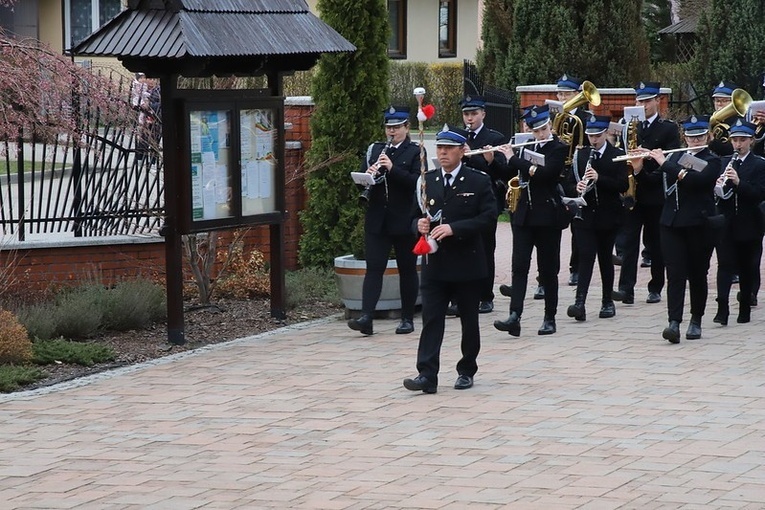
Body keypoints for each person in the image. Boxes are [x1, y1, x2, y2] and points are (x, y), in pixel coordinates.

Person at [402, 125, 495, 394]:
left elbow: (488, 218)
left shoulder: (477, 180)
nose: (442, 153)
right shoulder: (427, 180)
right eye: (439, 148)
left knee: (469, 320)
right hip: (436, 263)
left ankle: (467, 368)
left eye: (448, 149)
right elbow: (411, 217)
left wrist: (456, 228)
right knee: (432, 319)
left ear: (462, 151)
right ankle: (427, 374)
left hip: (467, 262)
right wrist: (416, 226)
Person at [638, 115, 721, 343]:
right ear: (685, 137)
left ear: (707, 136)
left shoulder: (712, 161)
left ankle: (696, 319)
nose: (695, 141)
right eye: (691, 137)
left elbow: (697, 182)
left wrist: (665, 163)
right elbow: (653, 183)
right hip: (671, 223)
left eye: (700, 137)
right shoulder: (675, 156)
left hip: (698, 224)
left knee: (697, 274)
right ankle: (674, 322)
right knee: (674, 274)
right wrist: (638, 169)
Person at [493, 105, 569, 336]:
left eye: (544, 129)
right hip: (524, 216)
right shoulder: (525, 146)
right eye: (536, 131)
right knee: (519, 267)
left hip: (547, 217)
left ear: (550, 126)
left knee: (548, 270)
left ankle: (550, 317)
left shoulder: (558, 148)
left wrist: (514, 159)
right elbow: (508, 172)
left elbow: (546, 175)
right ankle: (515, 316)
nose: (540, 134)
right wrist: (491, 159)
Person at [348, 106, 423, 336]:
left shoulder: (415, 151)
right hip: (378, 219)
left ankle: (407, 318)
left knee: (407, 269)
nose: (391, 132)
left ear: (406, 128)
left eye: (396, 128)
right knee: (374, 268)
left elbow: (417, 183)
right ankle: (366, 317)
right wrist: (367, 176)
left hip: (404, 218)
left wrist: (391, 169)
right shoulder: (375, 150)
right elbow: (362, 178)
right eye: (388, 127)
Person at [614, 82, 680, 306]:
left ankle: (655, 287)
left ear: (657, 101)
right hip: (633, 192)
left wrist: (646, 158)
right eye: (639, 101)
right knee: (629, 242)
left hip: (654, 191)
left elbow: (670, 161)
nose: (642, 105)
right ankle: (626, 289)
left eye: (646, 101)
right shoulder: (630, 126)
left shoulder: (668, 128)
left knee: (656, 242)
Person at [565, 115, 629, 322]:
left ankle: (607, 301)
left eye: (598, 135)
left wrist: (599, 178)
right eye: (590, 135)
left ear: (606, 133)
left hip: (608, 216)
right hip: (585, 215)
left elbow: (622, 186)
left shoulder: (617, 154)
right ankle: (579, 302)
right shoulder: (580, 155)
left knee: (604, 259)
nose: (593, 140)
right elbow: (567, 182)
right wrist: (577, 187)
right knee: (585, 257)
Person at [712, 119, 765, 325]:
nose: (738, 144)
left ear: (751, 140)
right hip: (726, 222)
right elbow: (717, 195)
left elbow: (759, 194)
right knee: (724, 265)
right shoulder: (724, 161)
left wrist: (739, 183)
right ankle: (722, 308)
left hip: (749, 223)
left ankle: (744, 307)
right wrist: (718, 186)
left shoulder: (759, 164)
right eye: (735, 140)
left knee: (746, 266)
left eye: (742, 140)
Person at [459, 95, 508, 314]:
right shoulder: (457, 137)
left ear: (483, 114)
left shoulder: (495, 138)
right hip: (461, 200)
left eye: (474, 114)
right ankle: (461, 295)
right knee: (460, 248)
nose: (470, 118)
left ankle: (486, 296)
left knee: (485, 248)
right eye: (466, 114)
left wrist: (485, 159)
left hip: (487, 200)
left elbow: (502, 172)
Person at [553, 74, 593, 287]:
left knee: (578, 224)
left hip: (575, 172)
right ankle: (549, 272)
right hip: (556, 171)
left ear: (577, 95)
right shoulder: (554, 117)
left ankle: (575, 268)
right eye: (559, 93)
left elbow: (590, 144)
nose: (562, 97)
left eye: (566, 94)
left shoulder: (585, 118)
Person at [708, 81, 739, 157]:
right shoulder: (708, 120)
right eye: (717, 100)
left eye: (724, 101)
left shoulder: (739, 122)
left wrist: (714, 143)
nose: (719, 104)